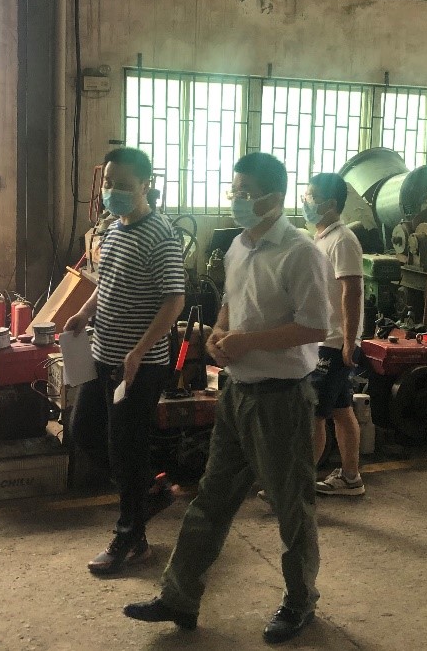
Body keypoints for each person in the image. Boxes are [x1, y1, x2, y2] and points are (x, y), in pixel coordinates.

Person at [123, 152, 332, 645]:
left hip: (281, 400)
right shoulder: (238, 246)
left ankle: (300, 601)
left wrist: (248, 342)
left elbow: (315, 327)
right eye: (233, 190)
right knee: (211, 499)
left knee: (291, 507)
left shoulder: (301, 253)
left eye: (245, 192)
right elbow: (231, 307)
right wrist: (218, 334)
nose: (236, 199)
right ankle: (179, 597)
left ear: (274, 198)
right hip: (237, 393)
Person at [62, 147, 186, 576]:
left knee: (125, 450)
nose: (113, 191)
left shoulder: (161, 235)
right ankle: (148, 491)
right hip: (103, 356)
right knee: (84, 431)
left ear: (146, 186)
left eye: (124, 185)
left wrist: (139, 351)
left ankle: (132, 539)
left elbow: (174, 300)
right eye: (109, 183)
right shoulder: (114, 230)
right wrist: (85, 313)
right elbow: (106, 282)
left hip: (139, 367)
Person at [304, 173, 366, 496]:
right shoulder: (321, 239)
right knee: (341, 411)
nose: (305, 201)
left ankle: (295, 484)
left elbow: (351, 292)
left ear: (329, 203)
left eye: (310, 196)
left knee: (313, 415)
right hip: (324, 339)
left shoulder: (343, 240)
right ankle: (351, 478)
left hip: (333, 342)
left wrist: (348, 342)